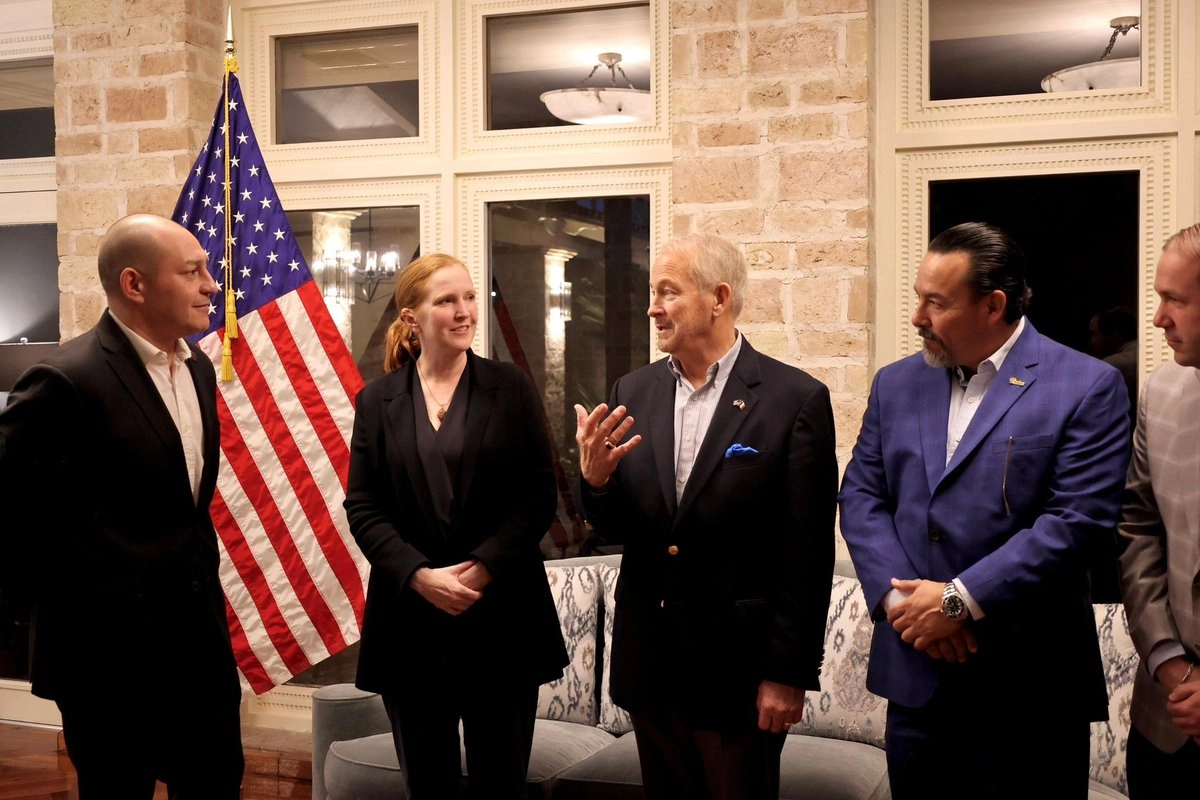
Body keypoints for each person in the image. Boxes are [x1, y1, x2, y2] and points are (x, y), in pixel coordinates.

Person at [838, 222, 1130, 799]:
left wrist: (957, 601)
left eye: (936, 302)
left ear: (993, 305)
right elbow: (861, 496)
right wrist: (905, 606)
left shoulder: (1087, 385)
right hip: (918, 679)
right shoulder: (897, 384)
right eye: (918, 297)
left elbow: (1076, 521)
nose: (918, 317)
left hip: (1030, 690)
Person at [574, 232, 837, 800]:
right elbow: (622, 527)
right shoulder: (632, 390)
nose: (652, 308)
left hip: (738, 673)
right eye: (652, 292)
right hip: (652, 666)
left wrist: (788, 674)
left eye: (667, 292)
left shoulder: (794, 399)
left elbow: (807, 553)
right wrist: (594, 481)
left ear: (718, 298)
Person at [0, 214, 243, 798]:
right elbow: (13, 520)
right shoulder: (64, 379)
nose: (213, 284)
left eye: (207, 269)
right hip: (106, 663)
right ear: (134, 285)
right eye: (192, 272)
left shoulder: (200, 368)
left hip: (199, 650)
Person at [344, 253, 568, 798]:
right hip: (411, 626)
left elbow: (540, 494)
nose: (466, 311)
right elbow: (363, 507)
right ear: (412, 318)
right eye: (447, 300)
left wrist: (484, 569)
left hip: (502, 620)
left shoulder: (509, 387)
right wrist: (419, 576)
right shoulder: (377, 401)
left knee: (501, 783)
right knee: (429, 786)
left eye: (470, 297)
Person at [1117, 223, 1200, 797]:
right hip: (1166, 719)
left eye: (1176, 300)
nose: (1158, 318)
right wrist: (1171, 662)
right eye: (1159, 297)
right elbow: (1139, 530)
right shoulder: (1160, 390)